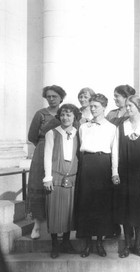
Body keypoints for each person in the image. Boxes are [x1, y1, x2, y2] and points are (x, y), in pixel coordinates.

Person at [75, 93, 118, 257]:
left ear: (104, 108)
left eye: (96, 106)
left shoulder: (111, 128)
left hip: (103, 165)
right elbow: (80, 148)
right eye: (91, 106)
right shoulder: (83, 127)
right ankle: (87, 243)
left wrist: (114, 172)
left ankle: (99, 243)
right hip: (87, 165)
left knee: (101, 204)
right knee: (86, 204)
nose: (92, 109)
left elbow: (115, 152)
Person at [113, 95, 140, 258]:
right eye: (127, 106)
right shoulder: (121, 126)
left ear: (139, 107)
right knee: (125, 209)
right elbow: (115, 150)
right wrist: (114, 171)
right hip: (124, 173)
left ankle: (138, 244)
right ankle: (127, 244)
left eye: (131, 106)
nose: (128, 109)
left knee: (139, 209)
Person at [27, 85, 65, 239]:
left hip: (60, 151)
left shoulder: (65, 112)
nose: (51, 99)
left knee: (57, 186)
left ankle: (59, 225)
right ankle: (37, 225)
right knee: (38, 185)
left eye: (54, 96)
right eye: (48, 96)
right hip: (42, 152)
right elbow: (32, 136)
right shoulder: (40, 114)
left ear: (61, 98)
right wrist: (44, 147)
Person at [43, 103, 81, 258]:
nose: (65, 118)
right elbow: (47, 155)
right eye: (63, 115)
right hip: (56, 175)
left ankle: (66, 242)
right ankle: (54, 244)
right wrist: (47, 177)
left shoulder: (79, 133)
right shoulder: (52, 133)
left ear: (75, 117)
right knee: (54, 210)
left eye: (69, 115)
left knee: (69, 211)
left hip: (72, 176)